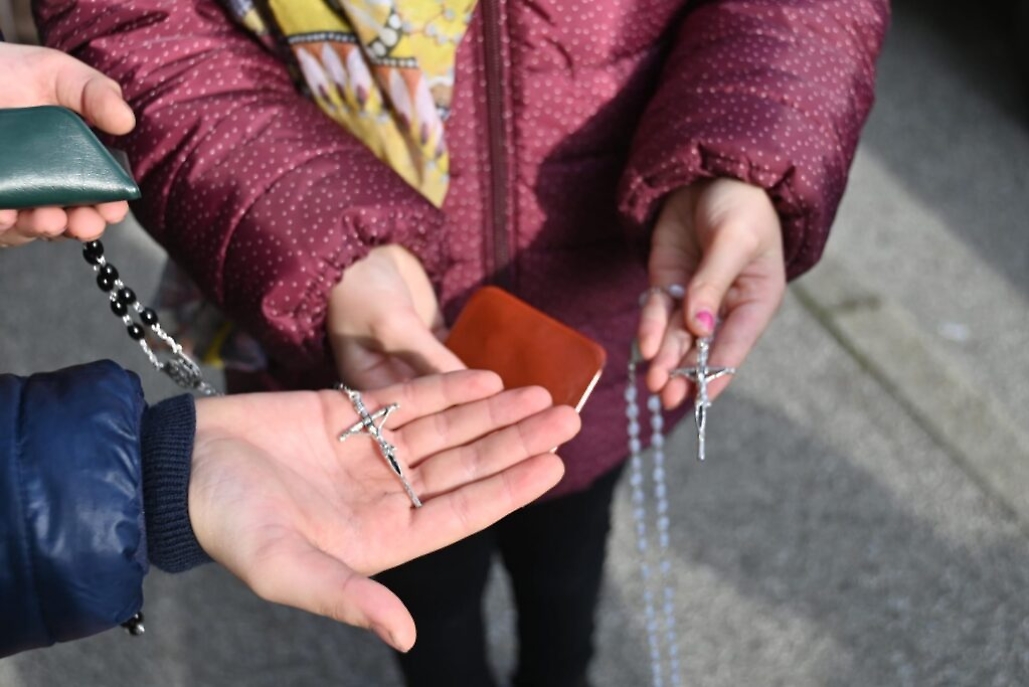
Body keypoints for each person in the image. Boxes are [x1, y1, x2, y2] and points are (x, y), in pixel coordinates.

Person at [32, 0, 890, 684]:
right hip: (357, 351)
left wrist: (743, 155)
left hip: (594, 334)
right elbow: (138, 24)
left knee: (567, 558)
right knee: (426, 599)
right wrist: (323, 242)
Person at [0, 39, 582, 659]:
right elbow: (163, 49)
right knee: (440, 604)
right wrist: (158, 476)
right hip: (341, 362)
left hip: (581, 366)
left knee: (565, 577)